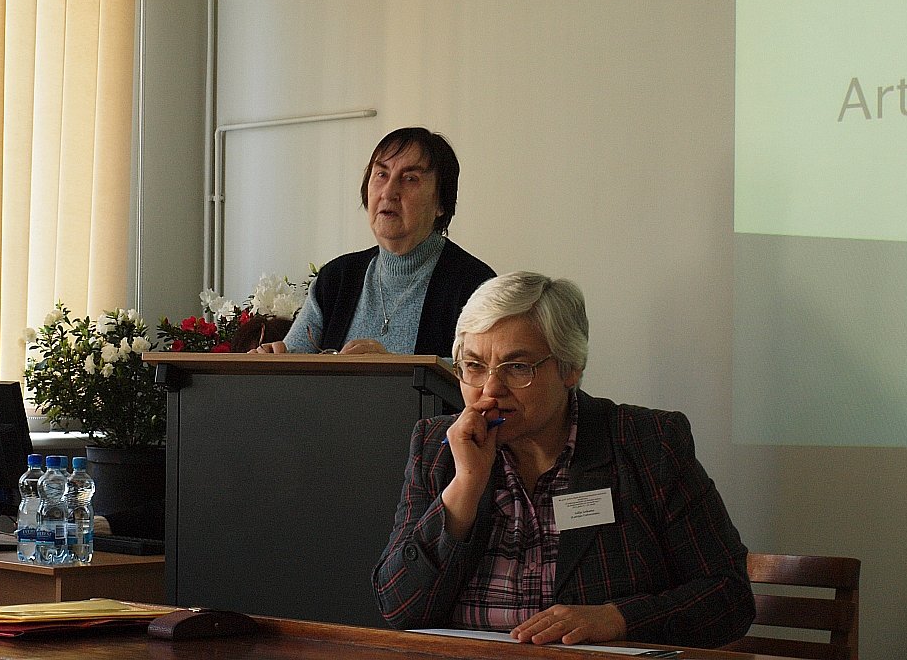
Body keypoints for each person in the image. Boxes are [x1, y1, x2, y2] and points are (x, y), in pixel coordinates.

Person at [371, 272, 755, 647]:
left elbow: (729, 596)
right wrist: (465, 487)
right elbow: (399, 609)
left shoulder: (647, 443)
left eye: (517, 367)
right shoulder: (438, 447)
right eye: (473, 366)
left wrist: (618, 619)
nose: (490, 389)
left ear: (570, 367)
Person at [252, 127, 494, 357]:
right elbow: (295, 359)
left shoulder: (475, 285)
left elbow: (481, 370)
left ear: (441, 202)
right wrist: (274, 360)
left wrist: (392, 367)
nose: (388, 192)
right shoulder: (336, 280)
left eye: (410, 179)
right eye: (381, 175)